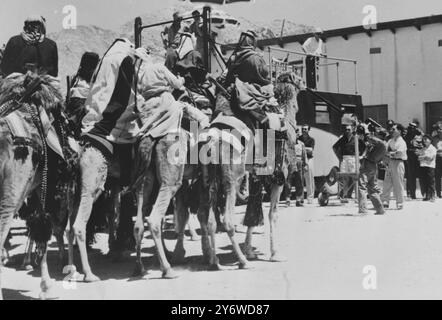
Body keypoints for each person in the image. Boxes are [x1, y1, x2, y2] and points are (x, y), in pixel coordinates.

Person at [357, 123, 387, 215]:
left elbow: (377, 143)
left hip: (368, 164)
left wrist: (366, 133)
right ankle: (380, 209)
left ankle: (362, 209)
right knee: (372, 188)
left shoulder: (376, 141)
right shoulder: (374, 144)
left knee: (362, 186)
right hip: (373, 166)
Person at [332, 124, 365, 201]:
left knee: (353, 177)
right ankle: (343, 194)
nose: (347, 131)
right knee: (343, 176)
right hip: (344, 159)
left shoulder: (356, 138)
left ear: (352, 130)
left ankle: (351, 195)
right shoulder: (343, 139)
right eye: (346, 129)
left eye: (349, 129)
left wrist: (361, 156)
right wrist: (339, 157)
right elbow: (334, 147)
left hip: (353, 159)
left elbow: (365, 147)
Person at [381, 123, 408, 210]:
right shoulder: (390, 141)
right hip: (390, 162)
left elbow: (399, 153)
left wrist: (390, 153)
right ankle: (385, 201)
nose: (392, 131)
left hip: (398, 163)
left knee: (398, 183)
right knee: (387, 182)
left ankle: (399, 202)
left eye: (394, 129)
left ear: (399, 131)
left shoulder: (402, 142)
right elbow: (385, 151)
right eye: (391, 129)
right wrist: (389, 154)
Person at [283, 128, 307, 207]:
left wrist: (305, 164)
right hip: (291, 162)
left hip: (299, 163)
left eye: (298, 133)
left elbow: (304, 155)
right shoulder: (288, 143)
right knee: (288, 182)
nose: (297, 135)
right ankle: (287, 200)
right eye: (295, 133)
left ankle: (298, 200)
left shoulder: (301, 144)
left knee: (299, 182)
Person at [404, 122, 424, 199]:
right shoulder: (406, 136)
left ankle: (424, 193)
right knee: (410, 175)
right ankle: (412, 194)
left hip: (418, 156)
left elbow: (424, 145)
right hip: (409, 157)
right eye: (410, 127)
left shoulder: (420, 135)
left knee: (421, 175)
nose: (412, 129)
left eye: (413, 128)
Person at [299, 125, 315, 204]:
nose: (304, 130)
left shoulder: (311, 140)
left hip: (309, 160)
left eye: (305, 129)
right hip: (300, 160)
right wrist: (306, 149)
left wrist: (301, 147)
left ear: (308, 130)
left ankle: (310, 197)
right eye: (302, 129)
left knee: (309, 179)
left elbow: (311, 150)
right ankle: (301, 198)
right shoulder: (299, 139)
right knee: (300, 179)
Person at [418, 135, 437, 202]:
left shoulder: (433, 148)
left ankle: (432, 196)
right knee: (424, 181)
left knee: (430, 182)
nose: (425, 140)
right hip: (423, 166)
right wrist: (424, 157)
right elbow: (419, 158)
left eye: (426, 139)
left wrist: (423, 157)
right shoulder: (423, 149)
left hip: (430, 167)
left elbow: (430, 158)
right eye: (424, 139)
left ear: (430, 140)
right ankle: (426, 196)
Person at [432, 123, 442, 198]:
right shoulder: (434, 138)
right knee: (437, 176)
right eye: (438, 129)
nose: (439, 130)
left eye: (441, 129)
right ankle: (438, 193)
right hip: (437, 158)